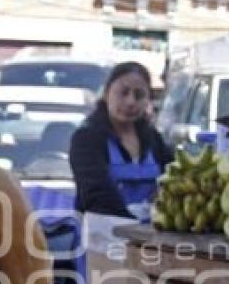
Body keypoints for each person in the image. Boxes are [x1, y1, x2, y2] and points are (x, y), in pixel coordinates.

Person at [70, 61, 173, 222]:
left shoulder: (154, 139)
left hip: (151, 237)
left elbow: (173, 179)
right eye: (123, 93)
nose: (131, 102)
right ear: (106, 94)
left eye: (139, 95)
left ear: (148, 100)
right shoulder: (86, 139)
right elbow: (96, 194)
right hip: (102, 236)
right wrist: (132, 225)